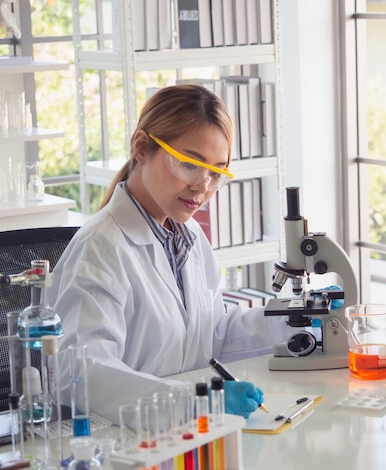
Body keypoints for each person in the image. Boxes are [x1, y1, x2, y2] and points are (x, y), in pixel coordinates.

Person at [49, 84, 292, 424]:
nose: (203, 187)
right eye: (190, 164)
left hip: (189, 436)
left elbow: (210, 335)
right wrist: (197, 402)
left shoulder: (187, 233)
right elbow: (83, 375)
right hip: (125, 444)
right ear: (142, 148)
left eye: (215, 172)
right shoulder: (101, 247)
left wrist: (292, 318)